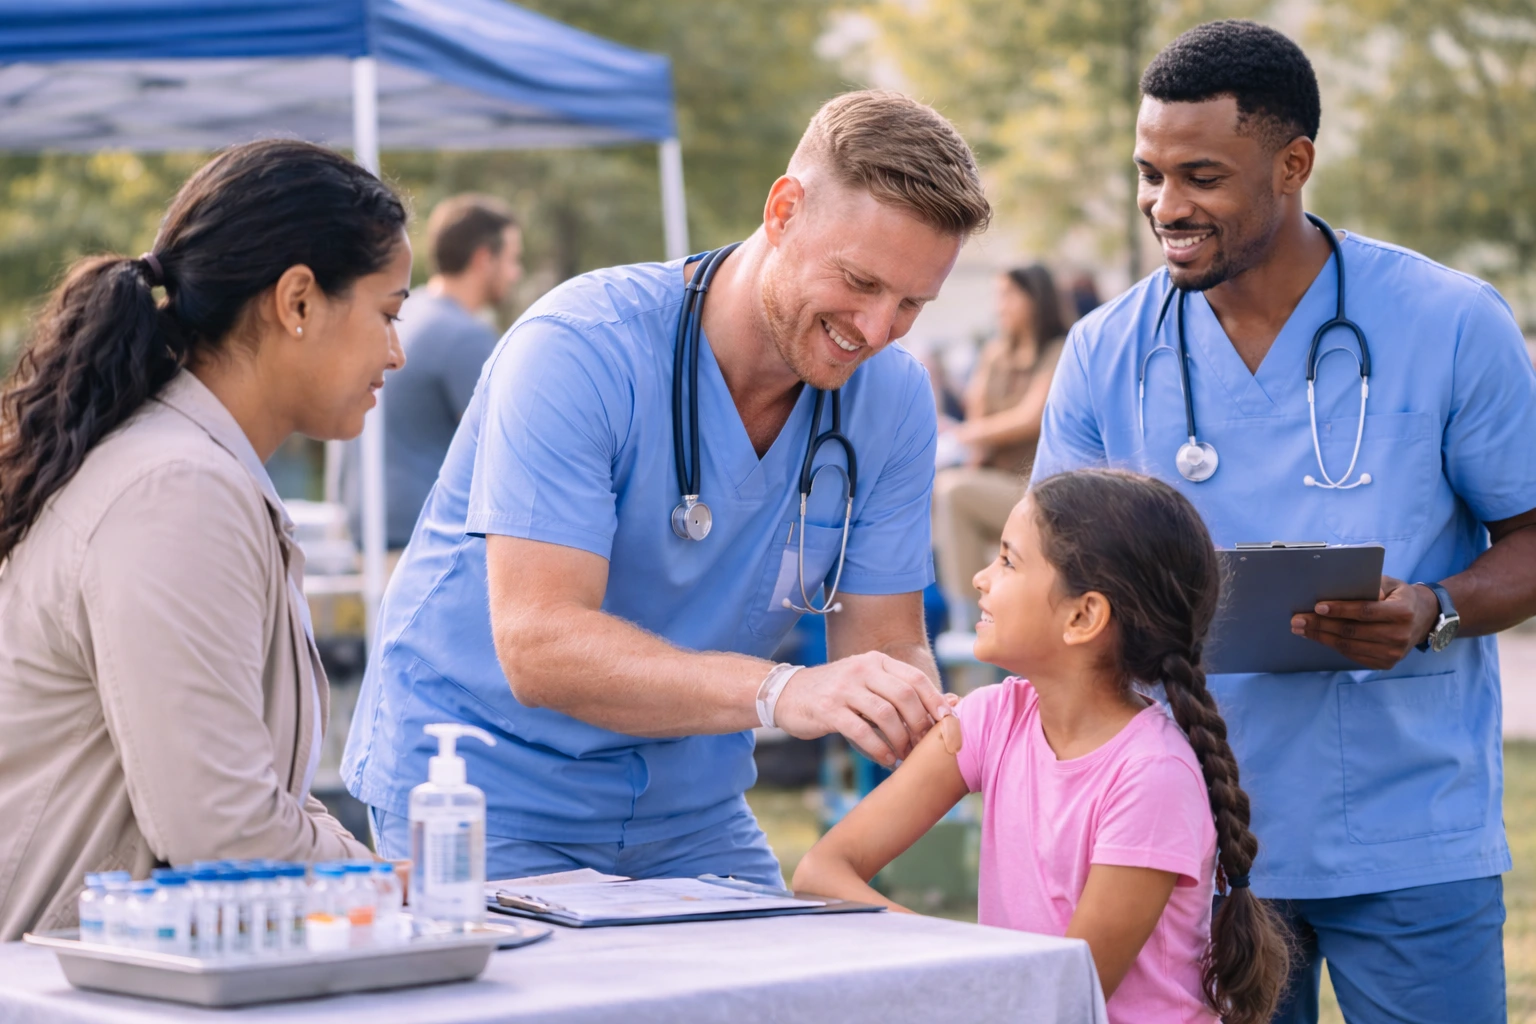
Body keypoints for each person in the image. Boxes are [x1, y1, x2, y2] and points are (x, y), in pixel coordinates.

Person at [342, 90, 992, 885]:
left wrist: (925, 710)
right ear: (783, 211)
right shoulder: (579, 349)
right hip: (482, 795)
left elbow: (885, 643)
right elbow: (540, 646)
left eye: (912, 303)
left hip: (691, 808)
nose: (879, 329)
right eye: (859, 281)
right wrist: (783, 691)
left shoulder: (892, 399)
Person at [1033, 20, 1536, 1023]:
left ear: (1293, 165)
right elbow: (1051, 580)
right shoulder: (1104, 352)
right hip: (1186, 841)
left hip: (1408, 830)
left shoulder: (1449, 323)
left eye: (1202, 177)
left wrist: (1434, 608)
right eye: (1150, 175)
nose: (1165, 206)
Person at [0, 139, 411, 941]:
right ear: (297, 301)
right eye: (388, 314)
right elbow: (224, 830)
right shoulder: (175, 490)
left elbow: (245, 802)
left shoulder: (192, 471)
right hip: (58, 983)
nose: (395, 352)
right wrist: (390, 884)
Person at [795, 470, 1290, 1024]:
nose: (981, 578)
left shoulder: (1153, 776)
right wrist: (970, 958)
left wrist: (960, 965)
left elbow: (1064, 998)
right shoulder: (991, 720)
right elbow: (821, 873)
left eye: (1008, 561)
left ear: (1083, 616)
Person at [342, 193, 523, 556]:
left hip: (371, 527)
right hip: (426, 543)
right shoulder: (465, 336)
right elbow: (509, 451)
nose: (516, 273)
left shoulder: (406, 313)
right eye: (511, 259)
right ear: (483, 259)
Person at [932, 264, 1065, 629]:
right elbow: (977, 415)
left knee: (954, 492)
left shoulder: (1059, 350)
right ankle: (968, 613)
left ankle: (969, 618)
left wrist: (964, 435)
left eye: (1008, 295)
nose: (999, 305)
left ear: (1034, 298)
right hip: (996, 481)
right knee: (942, 491)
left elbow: (1030, 417)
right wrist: (968, 437)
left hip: (1039, 489)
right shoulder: (995, 352)